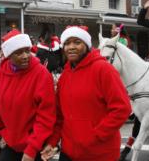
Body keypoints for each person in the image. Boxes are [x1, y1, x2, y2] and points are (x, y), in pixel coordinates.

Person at [41, 25, 132, 161]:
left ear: (87, 45)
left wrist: (95, 136)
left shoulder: (103, 69)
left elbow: (122, 109)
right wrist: (52, 142)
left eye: (77, 42)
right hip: (69, 152)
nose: (71, 47)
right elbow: (60, 116)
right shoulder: (65, 76)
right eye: (67, 43)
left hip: (99, 153)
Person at [0, 29, 56, 161]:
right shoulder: (0, 75)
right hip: (10, 144)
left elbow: (46, 117)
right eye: (18, 53)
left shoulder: (41, 74)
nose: (25, 56)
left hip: (35, 145)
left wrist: (32, 149)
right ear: (8, 55)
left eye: (27, 51)